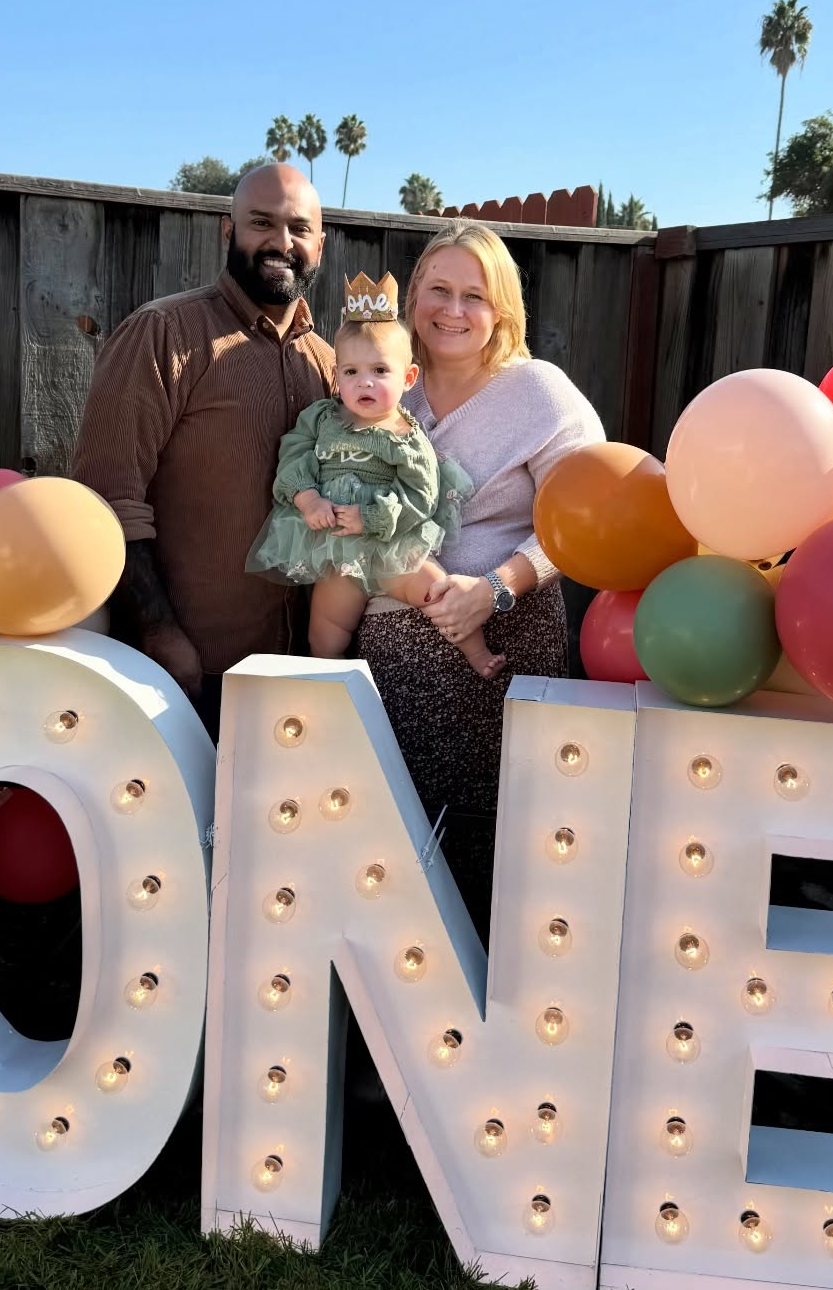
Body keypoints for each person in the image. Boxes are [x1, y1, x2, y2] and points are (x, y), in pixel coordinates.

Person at [354, 222, 604, 846]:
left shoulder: (540, 393)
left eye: (475, 296)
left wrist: (495, 588)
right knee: (391, 843)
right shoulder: (380, 381)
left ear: (503, 310)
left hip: (506, 646)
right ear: (415, 293)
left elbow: (585, 523)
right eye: (440, 289)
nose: (453, 310)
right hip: (392, 655)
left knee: (500, 841)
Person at [73, 162, 333, 736]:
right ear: (228, 230)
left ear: (320, 243)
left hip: (299, 681)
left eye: (298, 228)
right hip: (184, 676)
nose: (281, 242)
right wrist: (159, 634)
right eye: (261, 222)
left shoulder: (332, 363)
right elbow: (107, 501)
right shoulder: (162, 333)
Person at [247, 272, 497, 674]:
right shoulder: (321, 419)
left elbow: (421, 493)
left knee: (439, 592)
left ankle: (478, 653)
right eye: (351, 372)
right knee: (324, 632)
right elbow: (292, 454)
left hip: (393, 547)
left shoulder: (406, 436)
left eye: (380, 371)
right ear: (337, 375)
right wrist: (307, 498)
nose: (364, 382)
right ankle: (327, 683)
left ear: (408, 378)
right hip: (338, 552)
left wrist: (372, 517)